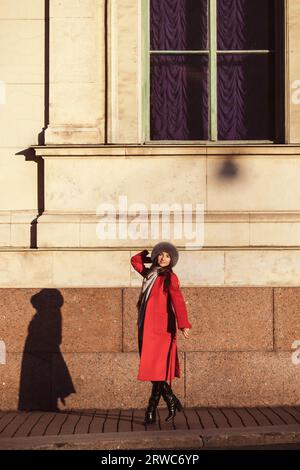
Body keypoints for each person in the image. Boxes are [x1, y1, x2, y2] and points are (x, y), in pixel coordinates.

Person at [130, 241, 192, 425]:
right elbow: (134, 261)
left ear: (172, 260)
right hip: (146, 326)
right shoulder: (150, 272)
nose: (164, 258)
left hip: (161, 329)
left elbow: (178, 301)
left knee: (155, 369)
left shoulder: (169, 277)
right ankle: (170, 399)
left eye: (167, 256)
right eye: (161, 255)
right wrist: (150, 254)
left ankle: (150, 410)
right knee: (154, 369)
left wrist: (184, 324)